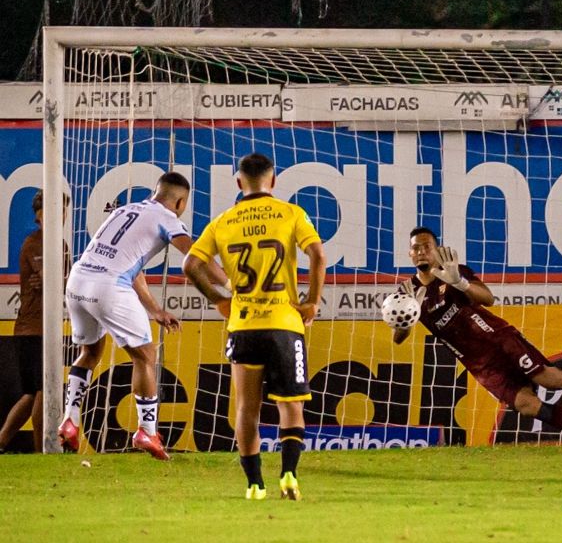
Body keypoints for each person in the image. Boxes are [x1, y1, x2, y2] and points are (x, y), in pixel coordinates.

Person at [392, 227, 562, 448]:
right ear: (410, 254)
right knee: (527, 405)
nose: (421, 252)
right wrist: (407, 317)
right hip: (480, 365)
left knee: (552, 379)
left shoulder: (453, 271)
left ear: (436, 249)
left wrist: (459, 283)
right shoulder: (406, 292)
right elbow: (398, 337)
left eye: (427, 246)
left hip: (498, 340)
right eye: (416, 248)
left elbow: (488, 298)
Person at [183, 152, 325, 501]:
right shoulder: (291, 213)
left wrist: (218, 299)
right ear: (273, 180)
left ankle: (254, 485)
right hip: (284, 324)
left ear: (238, 182)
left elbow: (190, 265)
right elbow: (318, 255)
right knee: (290, 405)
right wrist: (311, 300)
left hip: (244, 325)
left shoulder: (223, 221)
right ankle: (289, 475)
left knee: (247, 408)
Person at [58, 172, 226, 460]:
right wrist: (229, 284)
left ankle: (69, 420)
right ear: (181, 202)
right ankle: (147, 431)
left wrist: (155, 310)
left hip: (78, 281)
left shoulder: (125, 210)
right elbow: (196, 257)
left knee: (90, 352)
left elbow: (131, 267)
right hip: (108, 285)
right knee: (146, 356)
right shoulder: (168, 219)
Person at [0, 190, 69, 453]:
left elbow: (60, 281)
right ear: (40, 216)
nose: (59, 216)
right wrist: (55, 279)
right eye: (53, 211)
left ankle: (2, 441)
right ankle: (43, 449)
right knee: (43, 389)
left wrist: (57, 280)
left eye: (62, 210)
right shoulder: (35, 243)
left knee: (31, 394)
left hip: (43, 328)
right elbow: (53, 280)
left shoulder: (60, 244)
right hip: (32, 328)